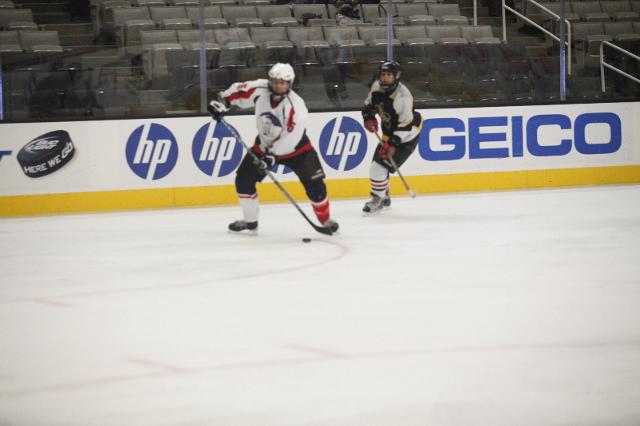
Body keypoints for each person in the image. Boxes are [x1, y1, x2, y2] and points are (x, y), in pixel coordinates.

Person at [208, 63, 339, 234]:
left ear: (289, 83)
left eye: (283, 83)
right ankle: (250, 222)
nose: (278, 86)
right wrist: (222, 103)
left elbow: (291, 136)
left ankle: (325, 220)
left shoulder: (296, 106)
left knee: (316, 186)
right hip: (264, 147)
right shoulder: (260, 89)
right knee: (243, 180)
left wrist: (273, 156)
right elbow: (238, 91)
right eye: (275, 81)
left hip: (297, 149)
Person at [361, 61, 423, 214]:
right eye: (383, 74)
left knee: (377, 168)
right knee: (378, 166)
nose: (385, 78)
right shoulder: (377, 86)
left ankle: (379, 199)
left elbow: (406, 124)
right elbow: (369, 103)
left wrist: (393, 143)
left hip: (407, 136)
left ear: (396, 76)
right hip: (389, 132)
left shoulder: (403, 97)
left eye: (389, 75)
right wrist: (368, 116)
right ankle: (385, 196)